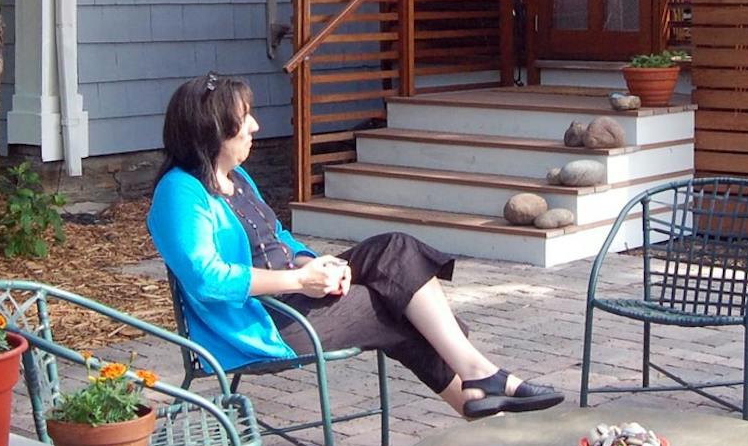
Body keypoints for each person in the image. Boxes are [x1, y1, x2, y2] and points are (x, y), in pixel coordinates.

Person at [147, 73, 563, 418]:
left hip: (297, 291)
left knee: (396, 252)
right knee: (392, 306)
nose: (255, 126)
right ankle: (480, 384)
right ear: (214, 130)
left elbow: (280, 239)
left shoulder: (237, 178)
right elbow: (207, 280)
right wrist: (299, 279)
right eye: (245, 117)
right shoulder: (180, 193)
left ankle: (478, 384)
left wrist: (319, 264)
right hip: (266, 323)